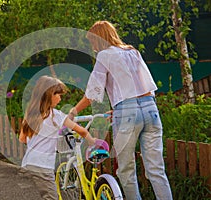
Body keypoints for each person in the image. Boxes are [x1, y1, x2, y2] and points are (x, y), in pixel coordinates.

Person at [68, 21, 172, 200]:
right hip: (150, 109)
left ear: (99, 39)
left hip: (127, 114)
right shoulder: (133, 52)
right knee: (156, 170)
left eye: (92, 41)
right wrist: (119, 108)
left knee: (126, 170)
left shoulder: (104, 55)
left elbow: (93, 92)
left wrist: (73, 112)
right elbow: (145, 87)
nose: (91, 45)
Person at [19, 75, 96, 200]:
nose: (60, 99)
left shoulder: (31, 112)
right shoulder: (57, 116)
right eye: (59, 95)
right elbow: (80, 130)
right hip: (43, 165)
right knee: (52, 197)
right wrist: (93, 141)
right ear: (50, 95)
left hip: (30, 161)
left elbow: (22, 139)